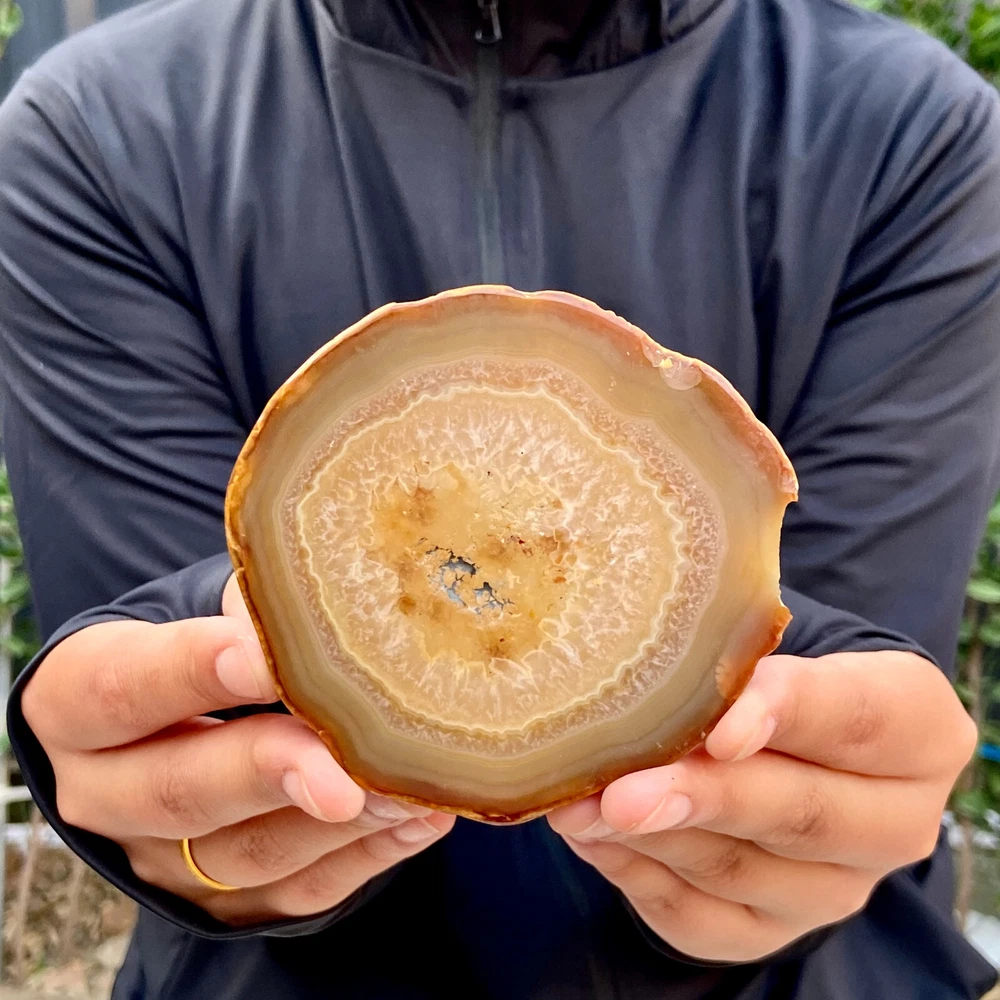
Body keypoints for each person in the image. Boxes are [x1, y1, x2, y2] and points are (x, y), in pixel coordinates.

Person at [0, 1, 998, 997]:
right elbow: (165, 668)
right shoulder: (97, 134)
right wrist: (194, 838)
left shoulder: (910, 135)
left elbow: (838, 685)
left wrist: (801, 845)